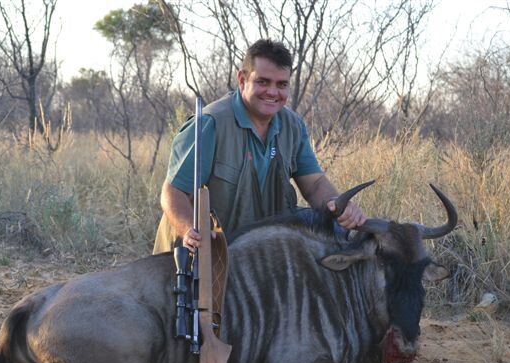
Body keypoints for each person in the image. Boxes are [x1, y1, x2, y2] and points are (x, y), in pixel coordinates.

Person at [153, 39, 365, 254]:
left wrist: (339, 206)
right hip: (198, 255)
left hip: (253, 255)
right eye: (263, 82)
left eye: (281, 84)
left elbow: (315, 184)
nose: (273, 92)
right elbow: (173, 192)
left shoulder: (293, 125)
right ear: (242, 79)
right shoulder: (210, 124)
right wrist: (189, 230)